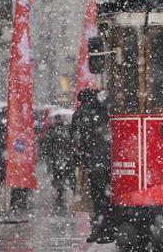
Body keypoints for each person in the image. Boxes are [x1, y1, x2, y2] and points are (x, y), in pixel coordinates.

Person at [71, 88, 113, 243]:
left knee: (97, 198)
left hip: (92, 161)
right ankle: (108, 230)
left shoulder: (80, 114)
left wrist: (79, 157)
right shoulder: (104, 110)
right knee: (108, 197)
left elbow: (75, 140)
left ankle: (100, 231)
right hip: (109, 158)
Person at [43, 114, 75, 208]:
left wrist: (49, 155)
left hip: (58, 156)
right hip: (64, 156)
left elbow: (47, 143)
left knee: (59, 175)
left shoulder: (52, 129)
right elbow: (72, 142)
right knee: (66, 175)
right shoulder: (66, 128)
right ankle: (67, 192)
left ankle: (61, 193)